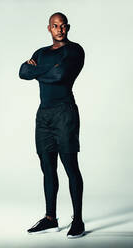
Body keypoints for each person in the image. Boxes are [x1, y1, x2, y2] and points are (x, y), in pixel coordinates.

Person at [18, 12, 85, 238]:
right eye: (55, 26)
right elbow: (22, 72)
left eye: (63, 26)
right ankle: (50, 218)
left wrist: (36, 72)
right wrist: (43, 70)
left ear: (68, 27)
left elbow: (60, 74)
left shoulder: (75, 50)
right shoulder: (41, 53)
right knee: (47, 167)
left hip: (65, 113)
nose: (59, 29)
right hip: (44, 115)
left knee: (70, 166)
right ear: (49, 28)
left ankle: (78, 220)